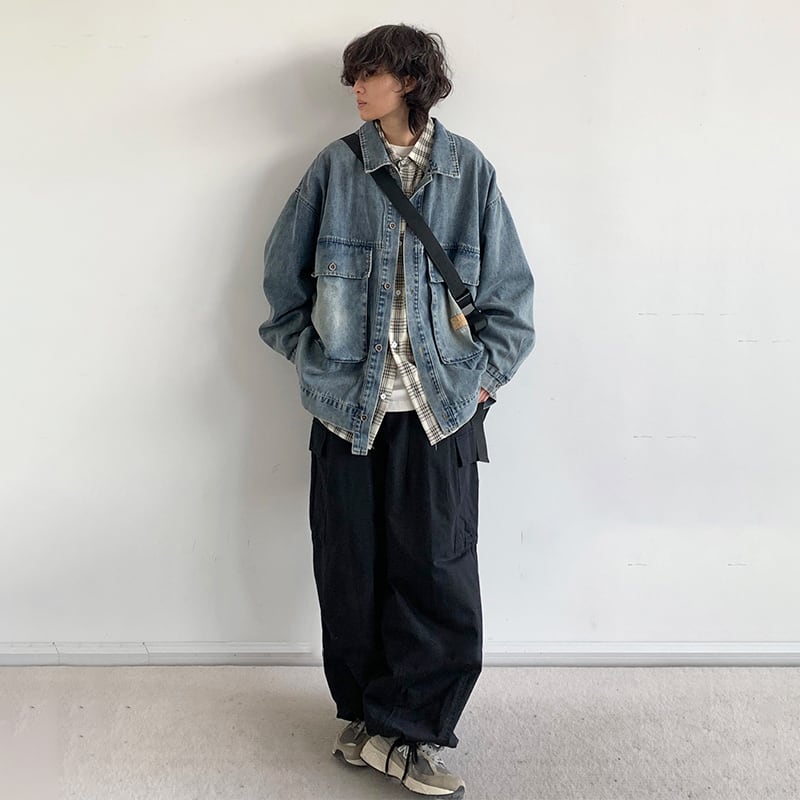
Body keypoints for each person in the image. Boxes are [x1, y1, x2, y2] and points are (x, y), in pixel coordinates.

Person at [258, 23, 535, 798]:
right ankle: (367, 720)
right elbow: (281, 288)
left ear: (410, 80)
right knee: (350, 571)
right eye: (353, 76)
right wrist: (316, 363)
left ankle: (409, 730)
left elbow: (510, 299)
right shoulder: (334, 169)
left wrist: (482, 383)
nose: (356, 88)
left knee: (437, 574)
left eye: (370, 74)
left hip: (438, 410)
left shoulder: (468, 172)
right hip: (348, 411)